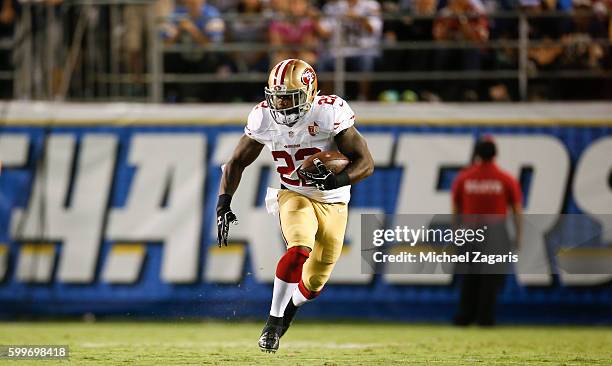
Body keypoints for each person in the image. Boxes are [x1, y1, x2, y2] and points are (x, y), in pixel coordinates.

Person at [216, 58, 374, 352]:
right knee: (300, 247)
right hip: (293, 194)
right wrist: (223, 202)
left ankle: (288, 312)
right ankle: (273, 324)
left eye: (289, 98)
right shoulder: (264, 117)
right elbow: (237, 161)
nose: (282, 106)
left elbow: (366, 163)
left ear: (310, 92)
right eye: (276, 98)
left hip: (334, 201)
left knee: (314, 282)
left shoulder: (328, 113)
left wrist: (336, 182)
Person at [451, 136, 523, 326]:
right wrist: (519, 235)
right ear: (495, 154)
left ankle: (465, 316)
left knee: (468, 277)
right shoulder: (506, 179)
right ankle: (485, 318)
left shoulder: (464, 178)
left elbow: (456, 209)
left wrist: (456, 232)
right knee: (491, 278)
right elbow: (516, 210)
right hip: (495, 232)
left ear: (477, 154)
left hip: (470, 231)